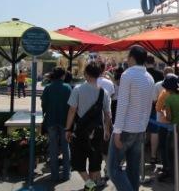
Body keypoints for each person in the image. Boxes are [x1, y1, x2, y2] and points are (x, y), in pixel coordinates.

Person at [107, 45, 154, 191]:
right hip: (140, 129)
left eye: (128, 56)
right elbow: (148, 106)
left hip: (125, 129)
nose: (127, 59)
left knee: (113, 169)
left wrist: (117, 130)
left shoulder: (128, 74)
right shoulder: (149, 78)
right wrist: (143, 128)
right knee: (133, 170)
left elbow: (123, 104)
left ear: (132, 58)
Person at [65, 62, 112, 190]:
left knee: (78, 161)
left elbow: (72, 110)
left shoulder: (78, 89)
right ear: (99, 75)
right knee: (95, 161)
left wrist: (68, 129)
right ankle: (92, 184)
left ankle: (89, 184)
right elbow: (108, 114)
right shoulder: (104, 92)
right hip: (98, 131)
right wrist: (107, 130)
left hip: (80, 131)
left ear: (86, 74)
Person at [41, 67, 72, 182]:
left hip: (51, 120)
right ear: (63, 76)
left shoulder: (48, 88)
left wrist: (46, 113)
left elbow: (43, 104)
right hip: (65, 122)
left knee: (53, 148)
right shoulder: (67, 87)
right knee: (65, 147)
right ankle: (66, 174)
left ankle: (54, 175)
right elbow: (71, 106)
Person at [160, 74, 179, 191]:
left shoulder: (169, 99)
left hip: (173, 132)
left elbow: (169, 118)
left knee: (171, 158)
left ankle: (177, 181)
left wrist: (164, 112)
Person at [146, 55, 164, 164]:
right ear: (154, 62)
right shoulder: (160, 74)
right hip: (156, 106)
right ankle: (153, 156)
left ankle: (140, 155)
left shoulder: (143, 74)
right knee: (154, 131)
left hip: (143, 106)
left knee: (142, 131)